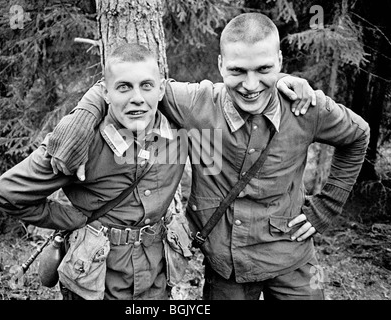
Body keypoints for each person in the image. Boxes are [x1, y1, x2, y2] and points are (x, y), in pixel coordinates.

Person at [45, 13, 370, 300]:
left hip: (292, 261)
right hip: (225, 268)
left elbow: (358, 135)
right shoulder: (197, 103)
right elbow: (125, 85)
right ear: (219, 66)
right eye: (237, 71)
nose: (251, 84)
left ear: (280, 61)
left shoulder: (305, 108)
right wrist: (84, 117)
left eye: (264, 69)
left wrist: (326, 207)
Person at [0, 43, 190, 300]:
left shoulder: (180, 132)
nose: (137, 98)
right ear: (105, 93)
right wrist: (70, 218)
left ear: (161, 89)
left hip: (157, 279)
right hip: (95, 281)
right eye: (124, 87)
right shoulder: (80, 142)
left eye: (146, 86)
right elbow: (9, 193)